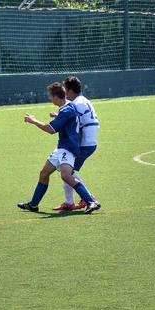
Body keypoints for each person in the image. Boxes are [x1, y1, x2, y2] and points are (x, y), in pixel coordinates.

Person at [18, 82, 101, 214]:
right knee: (44, 173)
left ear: (56, 97)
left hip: (67, 149)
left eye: (50, 96)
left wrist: (33, 120)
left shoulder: (67, 109)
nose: (50, 98)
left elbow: (50, 129)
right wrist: (58, 117)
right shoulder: (68, 107)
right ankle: (33, 205)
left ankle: (91, 201)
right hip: (62, 148)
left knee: (66, 176)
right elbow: (73, 121)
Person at [51, 76, 99, 211]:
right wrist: (58, 116)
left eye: (65, 89)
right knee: (68, 171)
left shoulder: (76, 104)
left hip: (84, 143)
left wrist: (75, 146)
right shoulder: (83, 100)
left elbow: (78, 127)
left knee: (68, 173)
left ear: (70, 90)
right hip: (91, 141)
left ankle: (88, 199)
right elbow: (75, 120)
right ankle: (71, 201)